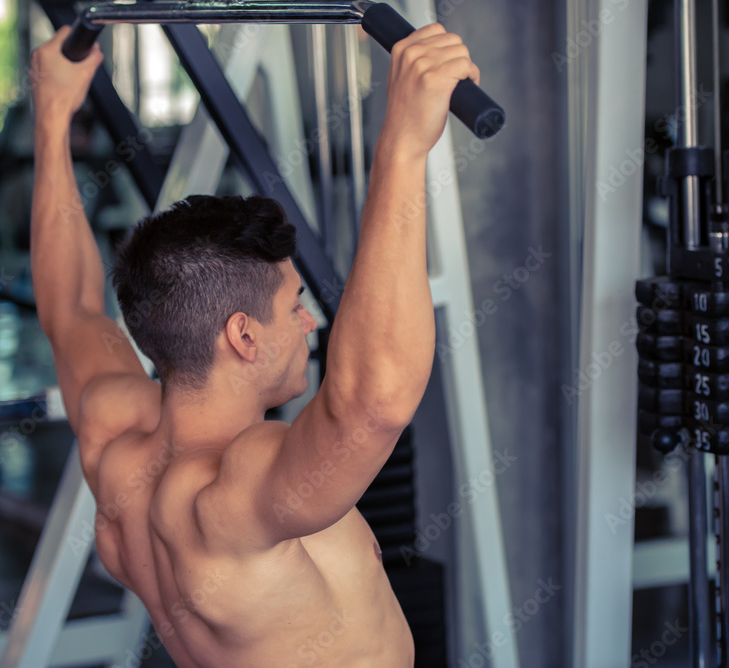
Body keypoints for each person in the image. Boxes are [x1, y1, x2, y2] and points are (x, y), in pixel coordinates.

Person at [29, 21, 479, 667]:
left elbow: (70, 309)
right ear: (242, 335)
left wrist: (52, 116)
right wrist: (403, 145)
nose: (309, 323)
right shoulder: (234, 494)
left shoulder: (116, 437)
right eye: (294, 306)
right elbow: (371, 404)